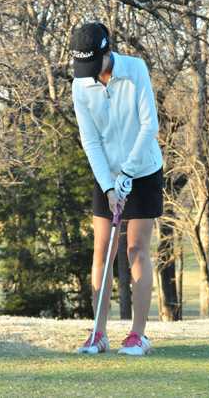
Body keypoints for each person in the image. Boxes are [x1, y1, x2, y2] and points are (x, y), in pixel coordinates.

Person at [70, 22, 163, 356]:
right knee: (102, 251)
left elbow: (149, 125)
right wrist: (110, 185)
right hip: (106, 173)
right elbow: (90, 139)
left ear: (108, 51)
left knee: (135, 249)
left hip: (144, 168)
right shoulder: (81, 85)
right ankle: (98, 333)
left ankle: (138, 335)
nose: (92, 75)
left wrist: (128, 173)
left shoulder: (135, 70)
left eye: (96, 65)